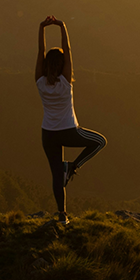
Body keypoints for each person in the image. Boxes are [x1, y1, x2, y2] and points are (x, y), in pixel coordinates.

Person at [35, 16, 106, 225]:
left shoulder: (39, 82)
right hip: (68, 130)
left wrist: (42, 28)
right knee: (100, 142)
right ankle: (73, 166)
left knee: (57, 176)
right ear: (62, 64)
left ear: (46, 64)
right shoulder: (65, 82)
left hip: (48, 134)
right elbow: (69, 50)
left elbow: (40, 51)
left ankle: (62, 215)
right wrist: (61, 26)